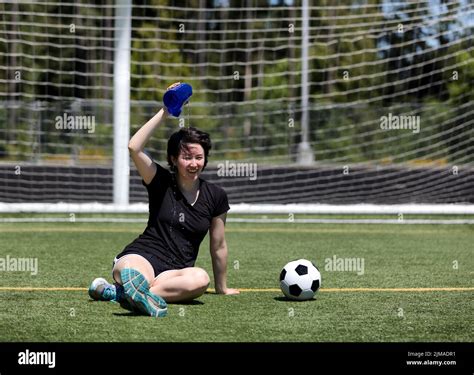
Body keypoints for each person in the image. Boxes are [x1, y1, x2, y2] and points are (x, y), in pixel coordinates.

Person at [88, 87, 239, 317]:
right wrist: (166, 111)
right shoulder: (160, 181)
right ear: (173, 159)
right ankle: (134, 290)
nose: (193, 163)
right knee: (133, 273)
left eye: (199, 157)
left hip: (176, 273)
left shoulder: (216, 196)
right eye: (186, 157)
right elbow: (134, 147)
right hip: (141, 258)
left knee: (200, 279)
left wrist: (222, 288)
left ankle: (123, 294)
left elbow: (218, 246)